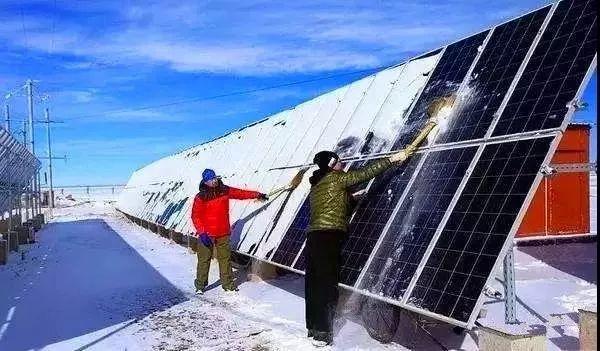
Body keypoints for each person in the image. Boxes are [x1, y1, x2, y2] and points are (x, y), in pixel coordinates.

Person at [305, 146, 416, 346]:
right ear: (332, 165)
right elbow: (365, 173)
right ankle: (322, 334)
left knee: (313, 284)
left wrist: (350, 199)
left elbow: (333, 205)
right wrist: (392, 160)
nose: (343, 164)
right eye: (339, 162)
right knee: (327, 286)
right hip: (329, 237)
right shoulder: (336, 178)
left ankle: (313, 328)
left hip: (314, 237)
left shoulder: (317, 184)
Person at [191, 168, 268, 293]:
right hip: (207, 234)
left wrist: (258, 194)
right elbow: (195, 216)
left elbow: (241, 194)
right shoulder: (201, 197)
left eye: (214, 178)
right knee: (204, 260)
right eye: (210, 179)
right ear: (205, 182)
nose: (214, 181)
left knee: (225, 259)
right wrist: (202, 232)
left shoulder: (224, 190)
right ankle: (200, 285)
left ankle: (228, 284)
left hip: (223, 232)